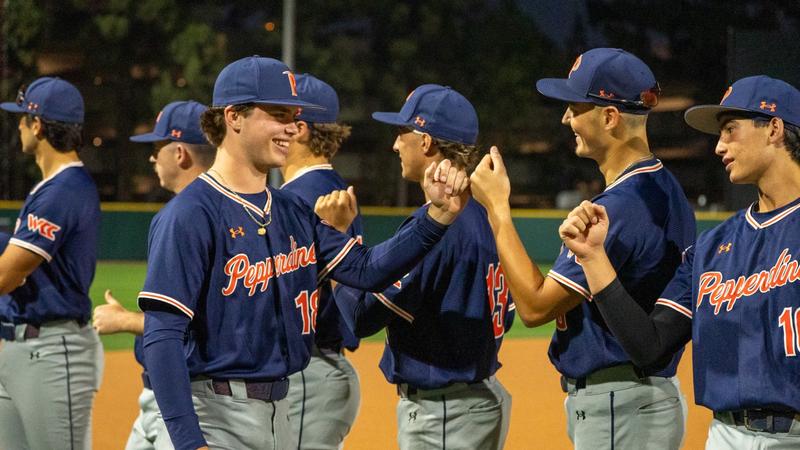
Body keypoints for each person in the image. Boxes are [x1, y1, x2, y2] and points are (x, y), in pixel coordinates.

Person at [137, 56, 469, 450]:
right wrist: (190, 443)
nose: (292, 127)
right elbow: (162, 336)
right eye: (278, 114)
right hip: (215, 414)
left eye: (294, 116)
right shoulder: (190, 215)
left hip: (282, 412)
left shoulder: (291, 210)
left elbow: (365, 271)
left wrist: (437, 217)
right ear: (233, 116)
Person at [469, 48, 695, 449]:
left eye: (575, 107)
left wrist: (498, 210)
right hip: (637, 401)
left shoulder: (622, 206)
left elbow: (536, 306)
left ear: (609, 117)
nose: (566, 119)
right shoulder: (663, 188)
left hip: (619, 405)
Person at [559, 75, 800, 449]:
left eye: (730, 130)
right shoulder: (713, 248)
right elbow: (650, 348)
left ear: (773, 128)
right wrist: (593, 258)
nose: (719, 146)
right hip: (725, 435)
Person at [326, 84, 514, 450]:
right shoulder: (484, 214)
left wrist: (339, 251)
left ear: (426, 142)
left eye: (401, 133)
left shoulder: (439, 227)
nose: (395, 145)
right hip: (475, 399)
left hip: (446, 412)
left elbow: (363, 318)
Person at [92, 100, 215, 450]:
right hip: (166, 392)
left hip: (191, 396)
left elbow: (202, 323)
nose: (151, 157)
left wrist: (126, 320)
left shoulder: (190, 215)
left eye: (157, 148)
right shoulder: (195, 211)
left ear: (180, 154)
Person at [0, 77, 102, 450]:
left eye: (22, 118)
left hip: (54, 353)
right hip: (22, 347)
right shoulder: (54, 188)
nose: (19, 126)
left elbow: (5, 276)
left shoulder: (64, 190)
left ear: (38, 125)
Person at [280, 74, 362, 449]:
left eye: (276, 115)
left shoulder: (297, 198)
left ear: (298, 129)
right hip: (319, 370)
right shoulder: (333, 187)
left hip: (305, 372)